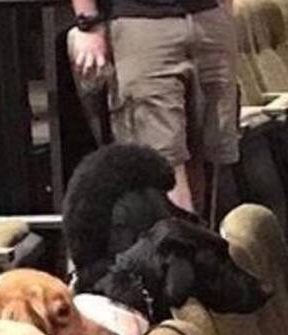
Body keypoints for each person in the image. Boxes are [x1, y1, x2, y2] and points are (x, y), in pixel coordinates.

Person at [66, 0, 240, 218]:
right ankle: (176, 237)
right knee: (162, 158)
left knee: (210, 151)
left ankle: (199, 234)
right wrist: (88, 22)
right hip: (141, 23)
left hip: (210, 18)